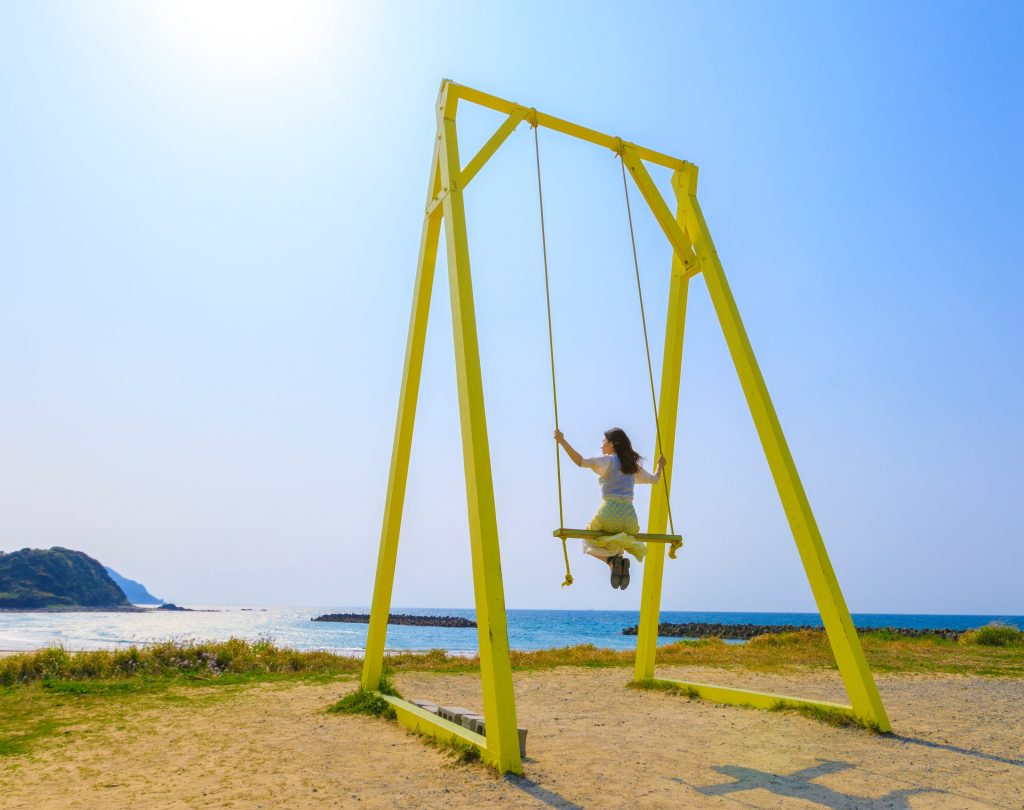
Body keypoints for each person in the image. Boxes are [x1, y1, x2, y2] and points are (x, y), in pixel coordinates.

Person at [553, 427, 665, 589]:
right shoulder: (632, 466)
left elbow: (580, 461)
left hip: (610, 511)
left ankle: (611, 561)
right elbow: (655, 480)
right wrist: (660, 465)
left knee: (588, 541)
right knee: (618, 541)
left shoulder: (608, 461)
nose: (601, 444)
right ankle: (617, 560)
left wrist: (562, 441)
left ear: (612, 444)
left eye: (604, 441)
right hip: (630, 516)